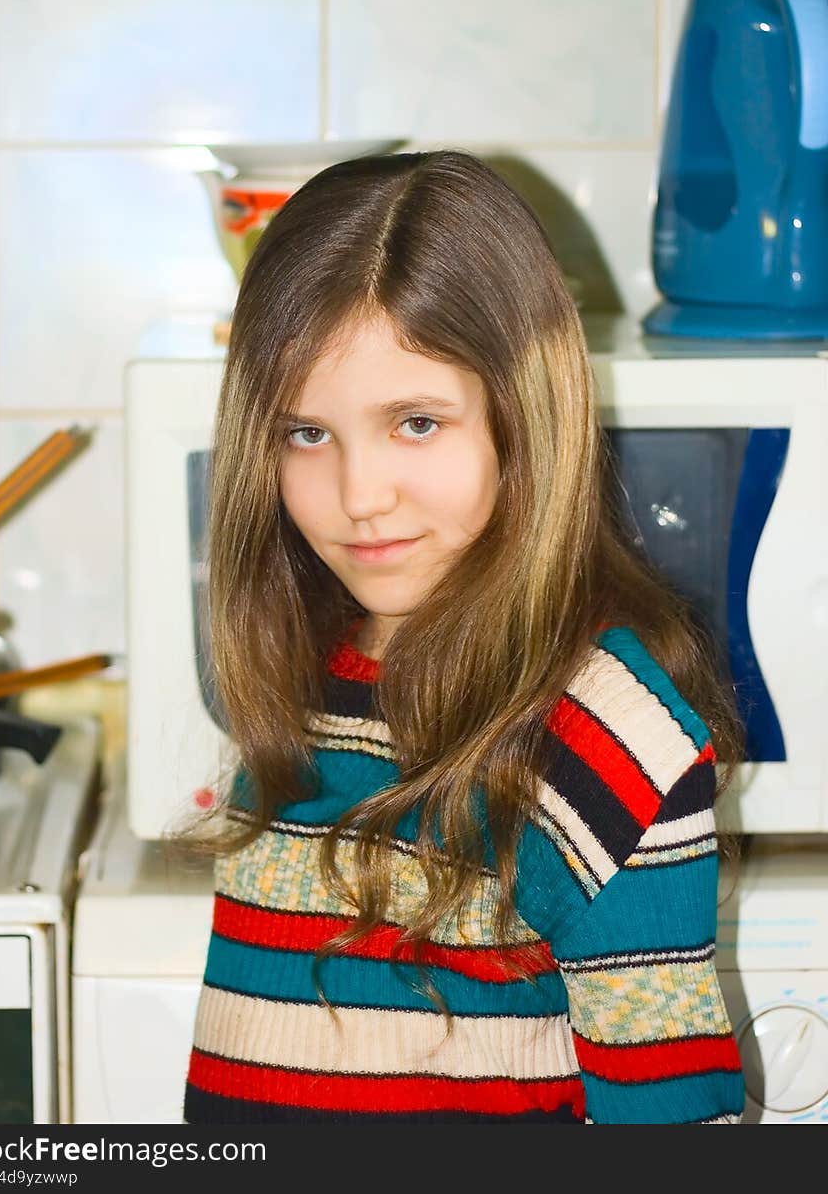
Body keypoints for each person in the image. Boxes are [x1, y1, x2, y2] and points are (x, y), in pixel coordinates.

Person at [179, 149, 747, 1125]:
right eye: (304, 434)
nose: (360, 497)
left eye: (415, 422)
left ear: (518, 422)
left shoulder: (606, 738)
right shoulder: (306, 671)